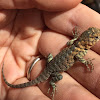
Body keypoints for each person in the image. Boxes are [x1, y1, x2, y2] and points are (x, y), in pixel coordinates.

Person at [1, 0, 100, 100]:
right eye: (96, 38)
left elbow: (69, 44)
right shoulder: (80, 50)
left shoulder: (74, 44)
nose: (97, 38)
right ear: (87, 41)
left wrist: (75, 38)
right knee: (60, 78)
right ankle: (52, 82)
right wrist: (85, 61)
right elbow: (78, 56)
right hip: (53, 70)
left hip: (51, 63)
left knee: (50, 56)